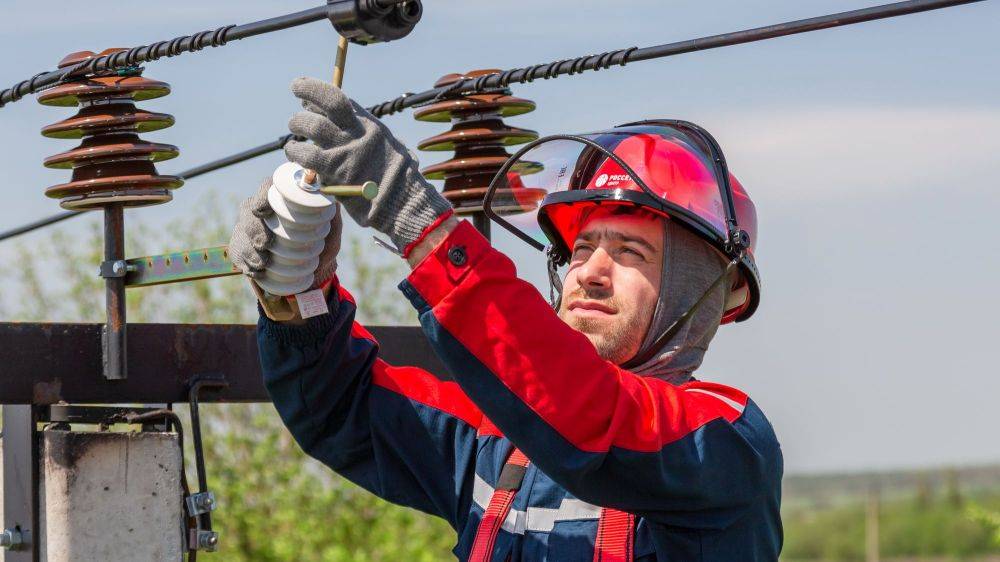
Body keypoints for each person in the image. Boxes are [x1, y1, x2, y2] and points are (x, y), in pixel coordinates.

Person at [229, 77, 782, 561]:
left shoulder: (726, 444)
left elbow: (591, 418)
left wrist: (415, 217)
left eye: (631, 252)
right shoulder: (495, 441)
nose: (589, 272)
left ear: (702, 292)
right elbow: (340, 407)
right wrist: (298, 294)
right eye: (582, 247)